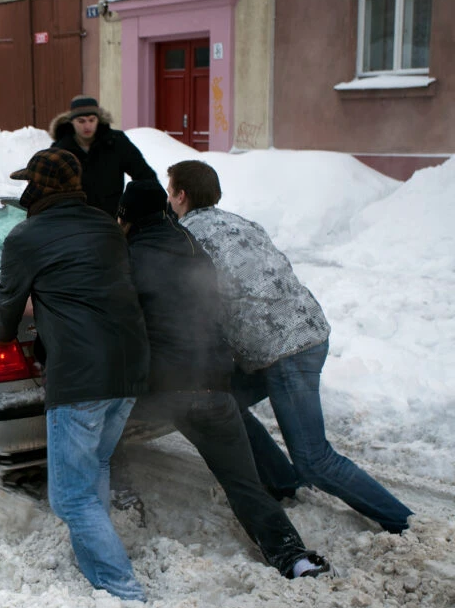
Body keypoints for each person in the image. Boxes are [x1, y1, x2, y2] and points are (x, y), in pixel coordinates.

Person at [166, 160, 414, 534]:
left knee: (315, 459)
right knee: (224, 401)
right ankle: (283, 482)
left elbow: (195, 300)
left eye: (170, 191)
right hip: (307, 331)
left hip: (285, 351)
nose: (169, 200)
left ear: (181, 195)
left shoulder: (188, 238)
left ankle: (403, 520)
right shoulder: (242, 222)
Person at [117, 179, 330, 579]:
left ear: (126, 219)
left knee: (95, 420)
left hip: (165, 388)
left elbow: (122, 326)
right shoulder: (193, 249)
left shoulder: (129, 259)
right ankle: (294, 558)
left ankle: (124, 500)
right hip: (214, 383)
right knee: (244, 483)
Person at [0, 148, 149, 601]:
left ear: (37, 189)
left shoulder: (25, 236)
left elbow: (5, 318)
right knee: (96, 467)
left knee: (69, 497)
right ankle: (96, 570)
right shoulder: (106, 226)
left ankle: (124, 591)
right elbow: (88, 284)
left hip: (81, 376)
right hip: (130, 366)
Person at [48, 95, 157, 217]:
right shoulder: (60, 149)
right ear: (72, 121)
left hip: (111, 218)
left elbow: (145, 176)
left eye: (91, 119)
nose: (87, 126)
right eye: (81, 121)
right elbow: (48, 188)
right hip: (75, 221)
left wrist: (134, 207)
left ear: (98, 119)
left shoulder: (116, 142)